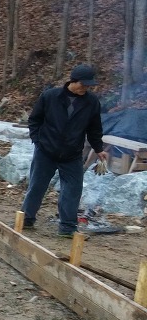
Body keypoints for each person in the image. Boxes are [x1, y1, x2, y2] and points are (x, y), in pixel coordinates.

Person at [20, 63, 108, 238]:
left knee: (73, 190)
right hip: (46, 151)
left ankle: (67, 228)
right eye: (83, 84)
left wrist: (99, 148)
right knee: (37, 186)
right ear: (73, 81)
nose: (86, 88)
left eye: (89, 85)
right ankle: (26, 219)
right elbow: (35, 120)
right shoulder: (50, 96)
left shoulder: (91, 102)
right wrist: (38, 140)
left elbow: (94, 128)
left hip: (72, 154)